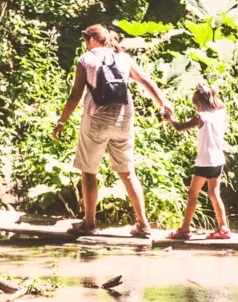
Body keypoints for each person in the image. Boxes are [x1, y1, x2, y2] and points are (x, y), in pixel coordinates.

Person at [53, 24, 173, 237]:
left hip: (95, 120)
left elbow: (75, 96)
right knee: (127, 173)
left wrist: (61, 123)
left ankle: (89, 224)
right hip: (123, 120)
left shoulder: (85, 59)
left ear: (91, 40)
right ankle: (143, 224)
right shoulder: (124, 59)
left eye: (85, 40)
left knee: (89, 171)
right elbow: (146, 82)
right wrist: (163, 103)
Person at [165, 83, 231, 241]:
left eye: (196, 106)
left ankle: (185, 228)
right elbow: (221, 105)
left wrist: (170, 118)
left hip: (205, 162)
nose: (196, 110)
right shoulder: (219, 114)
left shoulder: (202, 117)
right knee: (214, 194)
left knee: (192, 193)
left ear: (199, 105)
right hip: (218, 161)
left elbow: (180, 127)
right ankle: (223, 228)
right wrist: (212, 93)